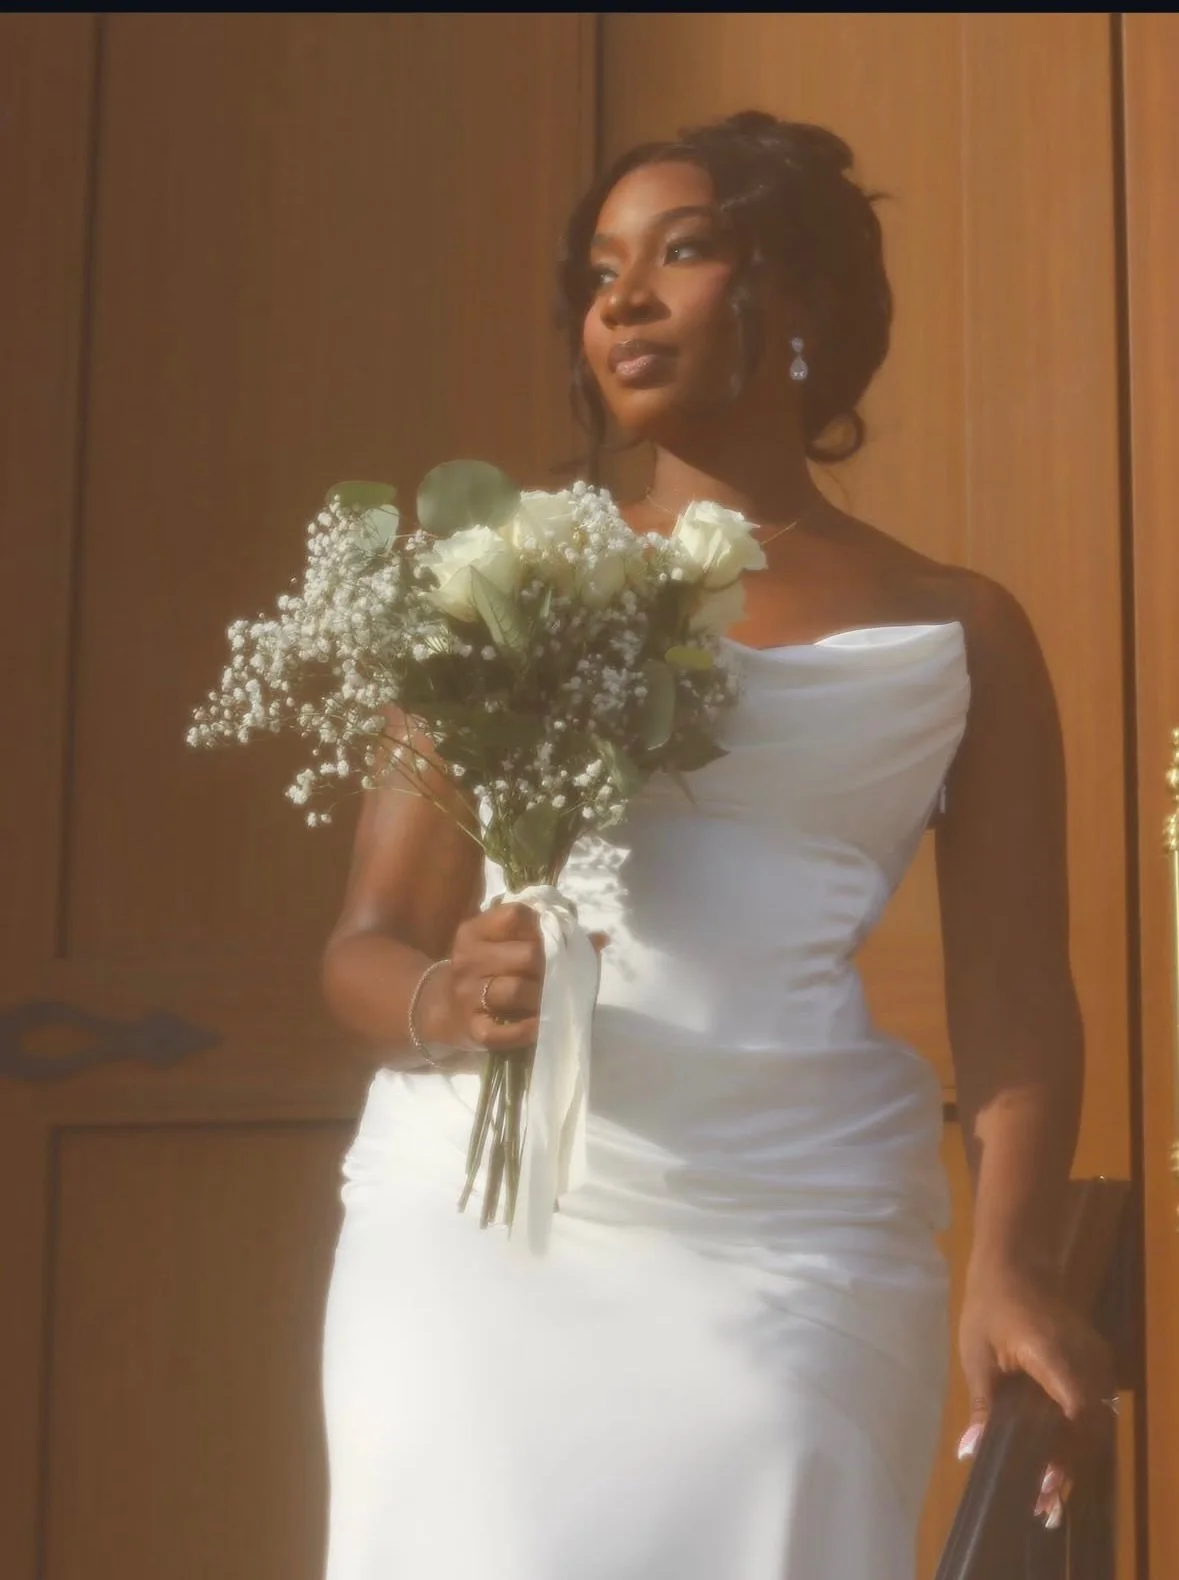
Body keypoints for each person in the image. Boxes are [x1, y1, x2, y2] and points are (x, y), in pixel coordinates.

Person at [317, 110, 1112, 1580]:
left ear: (800, 301)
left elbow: (1016, 999)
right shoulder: (490, 577)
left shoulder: (964, 626)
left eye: (680, 253)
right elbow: (363, 950)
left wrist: (1008, 1263)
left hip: (793, 1231)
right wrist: (451, 998)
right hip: (477, 1226)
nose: (619, 299)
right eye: (599, 269)